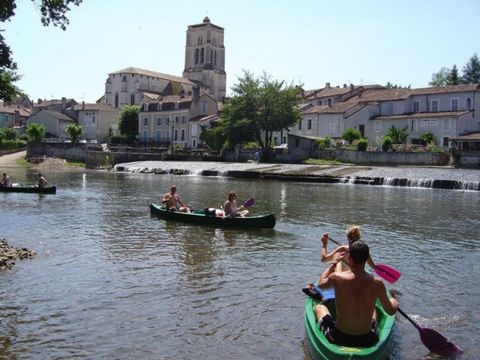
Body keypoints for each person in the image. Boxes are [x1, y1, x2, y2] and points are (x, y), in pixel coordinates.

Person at [315, 241, 398, 347]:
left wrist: (333, 263)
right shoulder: (378, 283)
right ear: (367, 258)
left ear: (349, 258)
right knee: (373, 308)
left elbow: (321, 284)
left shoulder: (337, 278)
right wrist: (394, 302)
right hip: (367, 339)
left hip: (339, 337)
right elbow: (390, 311)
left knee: (319, 307)